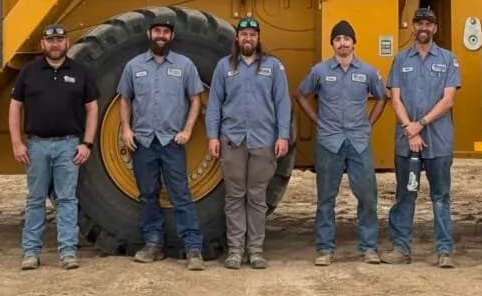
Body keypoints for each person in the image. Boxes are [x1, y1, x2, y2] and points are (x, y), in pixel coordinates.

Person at [295, 20, 387, 266]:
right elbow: (301, 94)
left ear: (354, 43)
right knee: (326, 198)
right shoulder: (320, 71)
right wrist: (316, 119)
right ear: (332, 44)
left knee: (367, 197)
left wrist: (368, 124)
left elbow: (382, 97)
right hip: (329, 141)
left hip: (359, 141)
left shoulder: (367, 71)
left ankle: (369, 248)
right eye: (338, 39)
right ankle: (325, 249)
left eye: (347, 39)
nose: (343, 43)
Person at [117, 17, 206, 271]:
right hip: (143, 141)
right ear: (149, 33)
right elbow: (125, 98)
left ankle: (193, 248)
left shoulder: (184, 65)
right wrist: (126, 129)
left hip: (171, 142)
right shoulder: (134, 66)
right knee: (147, 195)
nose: (161, 35)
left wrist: (188, 130)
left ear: (171, 36)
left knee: (181, 195)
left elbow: (195, 99)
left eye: (165, 32)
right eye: (157, 30)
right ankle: (153, 244)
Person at [10, 23, 98, 271]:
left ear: (67, 43)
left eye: (60, 40)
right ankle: (30, 252)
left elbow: (92, 108)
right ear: (43, 44)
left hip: (68, 146)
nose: (55, 44)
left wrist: (87, 143)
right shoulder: (29, 72)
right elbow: (15, 106)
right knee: (35, 199)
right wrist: (17, 143)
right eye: (51, 40)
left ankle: (68, 252)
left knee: (67, 200)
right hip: (36, 146)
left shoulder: (80, 72)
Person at [205, 16, 291, 269]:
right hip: (232, 140)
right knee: (234, 196)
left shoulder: (273, 67)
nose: (248, 39)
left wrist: (283, 136)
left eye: (253, 34)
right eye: (244, 35)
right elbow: (214, 106)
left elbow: (282, 104)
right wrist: (212, 136)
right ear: (237, 39)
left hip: (263, 141)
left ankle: (255, 250)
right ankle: (234, 251)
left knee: (256, 197)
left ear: (258, 38)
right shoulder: (224, 67)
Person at [383, 7, 461, 268]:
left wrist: (421, 124)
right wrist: (410, 128)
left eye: (428, 23)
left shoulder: (449, 59)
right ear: (413, 27)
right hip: (407, 143)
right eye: (419, 23)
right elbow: (395, 99)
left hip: (438, 141)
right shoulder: (400, 60)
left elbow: (448, 100)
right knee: (406, 196)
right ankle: (401, 250)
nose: (423, 27)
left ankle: (444, 251)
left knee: (440, 196)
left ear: (435, 28)